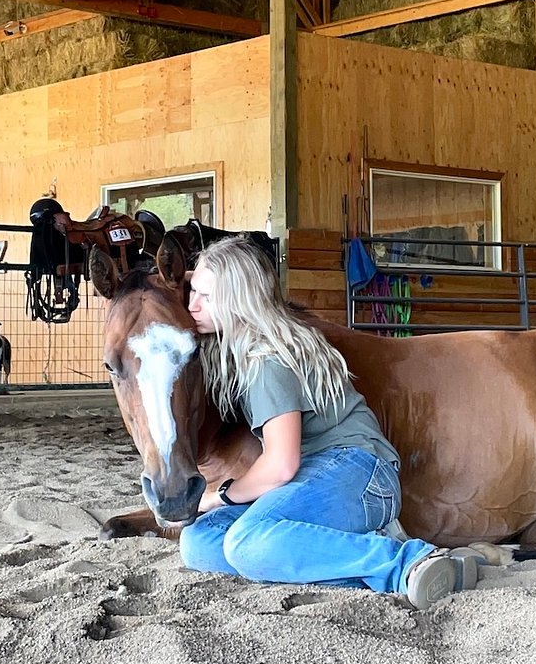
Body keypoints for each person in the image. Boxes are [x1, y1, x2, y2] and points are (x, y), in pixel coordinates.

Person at [178, 235, 476, 609]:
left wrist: (219, 495)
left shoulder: (266, 361)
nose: (192, 305)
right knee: (200, 543)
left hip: (361, 474)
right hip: (321, 478)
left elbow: (281, 465)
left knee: (245, 542)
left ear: (238, 300)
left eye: (205, 296)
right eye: (192, 291)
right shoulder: (246, 351)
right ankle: (394, 568)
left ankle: (409, 563)